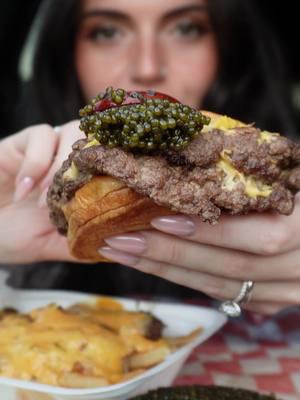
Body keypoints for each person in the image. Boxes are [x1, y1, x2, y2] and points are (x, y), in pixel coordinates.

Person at [1, 0, 300, 315]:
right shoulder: (29, 178)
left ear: (230, 43)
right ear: (65, 50)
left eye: (186, 29)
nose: (147, 67)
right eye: (107, 32)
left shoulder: (278, 168)